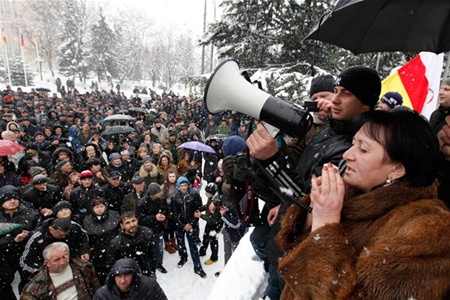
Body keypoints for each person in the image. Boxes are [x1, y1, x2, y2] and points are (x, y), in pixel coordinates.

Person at [275, 109, 450, 299]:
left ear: (397, 169)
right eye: (353, 144)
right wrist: (312, 214)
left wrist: (325, 225)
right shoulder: (354, 193)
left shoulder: (428, 233)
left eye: (363, 149)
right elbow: (291, 249)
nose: (347, 155)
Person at [244, 66, 381, 300]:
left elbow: (311, 205)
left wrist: (271, 159)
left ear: (366, 104)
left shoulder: (353, 150)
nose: (335, 100)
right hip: (290, 239)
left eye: (346, 94)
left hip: (303, 251)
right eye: (335, 91)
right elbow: (304, 178)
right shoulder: (331, 131)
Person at [21, 242, 100, 300]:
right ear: (47, 263)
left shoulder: (84, 267)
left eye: (65, 256)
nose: (63, 262)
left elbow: (96, 288)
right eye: (56, 260)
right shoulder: (36, 286)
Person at [20, 217, 90, 283]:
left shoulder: (74, 226)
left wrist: (84, 250)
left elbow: (83, 237)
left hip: (72, 263)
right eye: (61, 235)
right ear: (51, 229)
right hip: (49, 272)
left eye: (67, 234)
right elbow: (25, 261)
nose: (64, 237)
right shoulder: (37, 238)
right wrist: (45, 269)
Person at [171, 176, 206, 278]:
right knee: (181, 242)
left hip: (192, 224)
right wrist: (182, 225)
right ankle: (183, 257)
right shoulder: (175, 197)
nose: (183, 187)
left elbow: (197, 210)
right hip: (180, 225)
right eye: (181, 185)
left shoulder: (194, 194)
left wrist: (192, 224)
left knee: (193, 245)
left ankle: (198, 267)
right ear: (178, 186)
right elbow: (175, 213)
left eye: (185, 185)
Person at [106, 211, 157, 278]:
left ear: (137, 220)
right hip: (128, 278)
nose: (132, 225)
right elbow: (111, 264)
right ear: (122, 226)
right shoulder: (116, 243)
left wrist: (152, 269)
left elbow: (153, 253)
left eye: (133, 221)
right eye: (127, 223)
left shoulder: (147, 233)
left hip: (147, 274)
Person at [83, 197, 120, 284]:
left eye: (101, 206)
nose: (99, 209)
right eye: (97, 207)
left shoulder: (114, 215)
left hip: (114, 249)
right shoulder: (87, 221)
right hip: (98, 252)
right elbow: (86, 237)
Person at [93, 258, 167, 300]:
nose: (122, 281)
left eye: (127, 275)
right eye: (118, 276)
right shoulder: (102, 295)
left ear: (133, 275)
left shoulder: (149, 286)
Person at [137, 182, 169, 273]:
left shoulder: (162, 200)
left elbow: (166, 210)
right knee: (148, 249)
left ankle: (159, 264)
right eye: (158, 192)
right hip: (147, 231)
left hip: (159, 229)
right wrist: (154, 217)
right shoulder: (142, 203)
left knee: (159, 249)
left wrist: (164, 216)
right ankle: (150, 265)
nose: (161, 193)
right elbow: (140, 219)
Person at [195, 182, 223, 265]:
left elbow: (213, 219)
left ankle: (214, 257)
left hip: (215, 225)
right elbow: (207, 206)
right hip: (209, 223)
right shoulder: (211, 198)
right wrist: (200, 208)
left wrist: (200, 215)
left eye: (207, 192)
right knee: (205, 237)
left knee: (213, 241)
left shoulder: (216, 202)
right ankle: (202, 251)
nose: (205, 194)